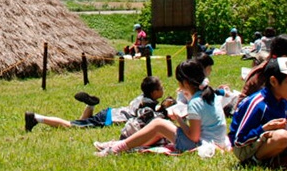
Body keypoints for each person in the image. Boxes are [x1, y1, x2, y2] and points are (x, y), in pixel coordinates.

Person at [95, 60, 229, 155]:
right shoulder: (210, 95)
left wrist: (179, 120)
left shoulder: (195, 102)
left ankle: (116, 148)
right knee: (158, 129)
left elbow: (194, 137)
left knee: (159, 124)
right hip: (217, 141)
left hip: (201, 144)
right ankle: (121, 145)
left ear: (185, 83)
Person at [229, 57, 287, 167]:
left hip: (263, 141)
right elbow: (239, 140)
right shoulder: (258, 103)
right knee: (283, 136)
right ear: (274, 81)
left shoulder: (282, 101)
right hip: (244, 147)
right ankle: (252, 162)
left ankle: (271, 159)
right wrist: (264, 128)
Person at [26, 79, 163, 132]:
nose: (163, 89)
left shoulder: (142, 97)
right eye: (161, 88)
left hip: (109, 112)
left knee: (82, 122)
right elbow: (151, 118)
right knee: (71, 125)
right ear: (154, 92)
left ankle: (90, 105)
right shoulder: (147, 104)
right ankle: (36, 118)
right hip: (109, 119)